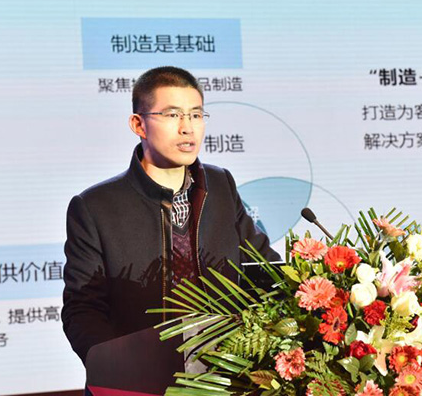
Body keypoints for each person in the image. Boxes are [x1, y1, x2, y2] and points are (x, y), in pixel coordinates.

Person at [61, 66, 280, 383]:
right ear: (139, 124)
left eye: (196, 115)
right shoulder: (95, 206)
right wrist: (119, 369)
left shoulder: (220, 185)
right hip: (141, 382)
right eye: (173, 115)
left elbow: (263, 270)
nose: (187, 128)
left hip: (229, 379)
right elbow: (83, 310)